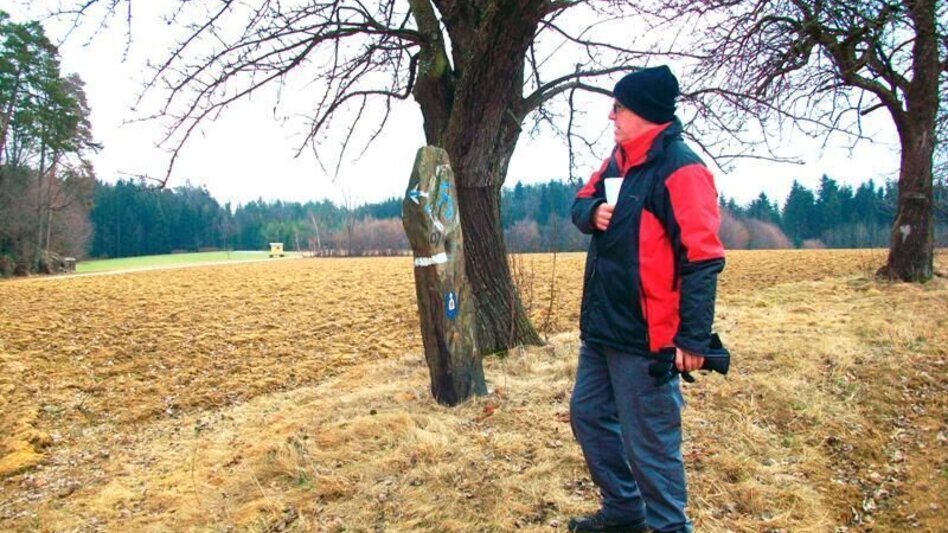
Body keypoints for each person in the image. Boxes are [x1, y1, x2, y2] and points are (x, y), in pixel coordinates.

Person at [567, 65, 726, 533]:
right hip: (602, 329)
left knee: (650, 447)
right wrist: (592, 213)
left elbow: (703, 258)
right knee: (589, 417)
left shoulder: (683, 170)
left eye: (618, 107)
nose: (610, 115)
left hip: (648, 338)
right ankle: (624, 513)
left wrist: (693, 340)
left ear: (644, 113)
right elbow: (580, 200)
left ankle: (668, 528)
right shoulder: (618, 159)